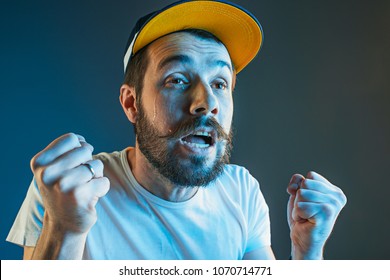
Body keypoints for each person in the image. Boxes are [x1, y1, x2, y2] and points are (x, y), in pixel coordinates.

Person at [7, 0, 347, 260]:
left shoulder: (241, 191)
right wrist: (65, 229)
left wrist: (307, 253)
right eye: (177, 80)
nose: (206, 102)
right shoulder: (65, 192)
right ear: (131, 104)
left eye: (219, 82)